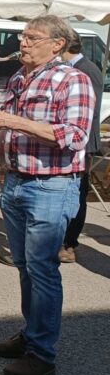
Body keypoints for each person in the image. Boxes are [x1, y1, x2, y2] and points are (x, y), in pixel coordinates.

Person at [0, 15, 94, 375]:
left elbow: (75, 136)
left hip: (51, 186)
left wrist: (11, 122)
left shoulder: (74, 80)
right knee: (26, 266)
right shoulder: (19, 78)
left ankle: (42, 353)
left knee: (42, 269)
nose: (22, 43)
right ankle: (31, 334)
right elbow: (12, 125)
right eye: (23, 36)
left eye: (31, 37)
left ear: (57, 44)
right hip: (17, 182)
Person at [59, 29, 104, 264]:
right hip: (77, 142)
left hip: (83, 143)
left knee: (76, 195)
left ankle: (68, 243)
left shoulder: (86, 70)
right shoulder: (78, 68)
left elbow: (89, 113)